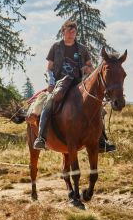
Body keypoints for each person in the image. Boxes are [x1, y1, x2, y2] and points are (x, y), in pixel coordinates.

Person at [33, 20, 116, 152]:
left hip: (79, 83)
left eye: (74, 31)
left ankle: (102, 141)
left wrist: (87, 68)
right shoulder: (56, 47)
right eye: (69, 30)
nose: (72, 33)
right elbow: (49, 68)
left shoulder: (82, 49)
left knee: (98, 108)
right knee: (49, 102)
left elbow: (91, 66)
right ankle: (41, 138)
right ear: (63, 32)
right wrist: (51, 82)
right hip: (61, 82)